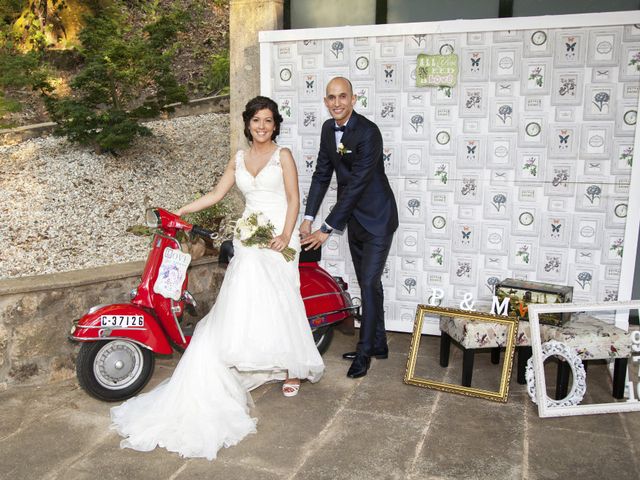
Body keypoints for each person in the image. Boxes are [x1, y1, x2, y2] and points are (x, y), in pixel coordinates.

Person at [110, 96, 325, 460]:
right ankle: (251, 356)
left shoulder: (283, 155)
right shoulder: (238, 159)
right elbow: (216, 194)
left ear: (275, 125)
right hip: (249, 237)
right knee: (245, 299)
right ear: (248, 124)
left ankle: (292, 369)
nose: (261, 126)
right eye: (256, 120)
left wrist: (287, 236)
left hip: (277, 237)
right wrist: (182, 210)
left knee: (283, 298)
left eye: (268, 121)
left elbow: (293, 199)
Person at [300, 77, 398, 379]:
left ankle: (365, 352)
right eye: (331, 98)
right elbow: (321, 174)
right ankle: (379, 343)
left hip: (378, 219)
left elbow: (356, 186)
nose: (337, 103)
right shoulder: (328, 129)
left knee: (368, 284)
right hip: (354, 220)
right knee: (370, 284)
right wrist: (308, 217)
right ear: (326, 101)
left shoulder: (368, 132)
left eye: (343, 97)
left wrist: (326, 228)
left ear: (354, 99)